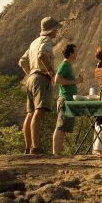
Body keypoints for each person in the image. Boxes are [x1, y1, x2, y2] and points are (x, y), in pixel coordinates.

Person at [18, 16, 61, 154]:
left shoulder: (34, 42)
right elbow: (43, 54)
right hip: (41, 78)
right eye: (56, 29)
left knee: (30, 113)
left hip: (31, 79)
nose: (57, 32)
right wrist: (50, 71)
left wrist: (30, 73)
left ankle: (28, 147)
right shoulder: (46, 40)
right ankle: (36, 147)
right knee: (39, 111)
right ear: (52, 30)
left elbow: (22, 61)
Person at [52, 43, 84, 155]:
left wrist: (76, 80)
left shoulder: (69, 65)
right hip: (64, 100)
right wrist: (75, 81)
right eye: (76, 51)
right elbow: (57, 80)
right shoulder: (65, 64)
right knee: (60, 127)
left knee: (63, 127)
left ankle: (57, 154)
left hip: (69, 100)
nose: (77, 53)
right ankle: (55, 154)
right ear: (71, 53)